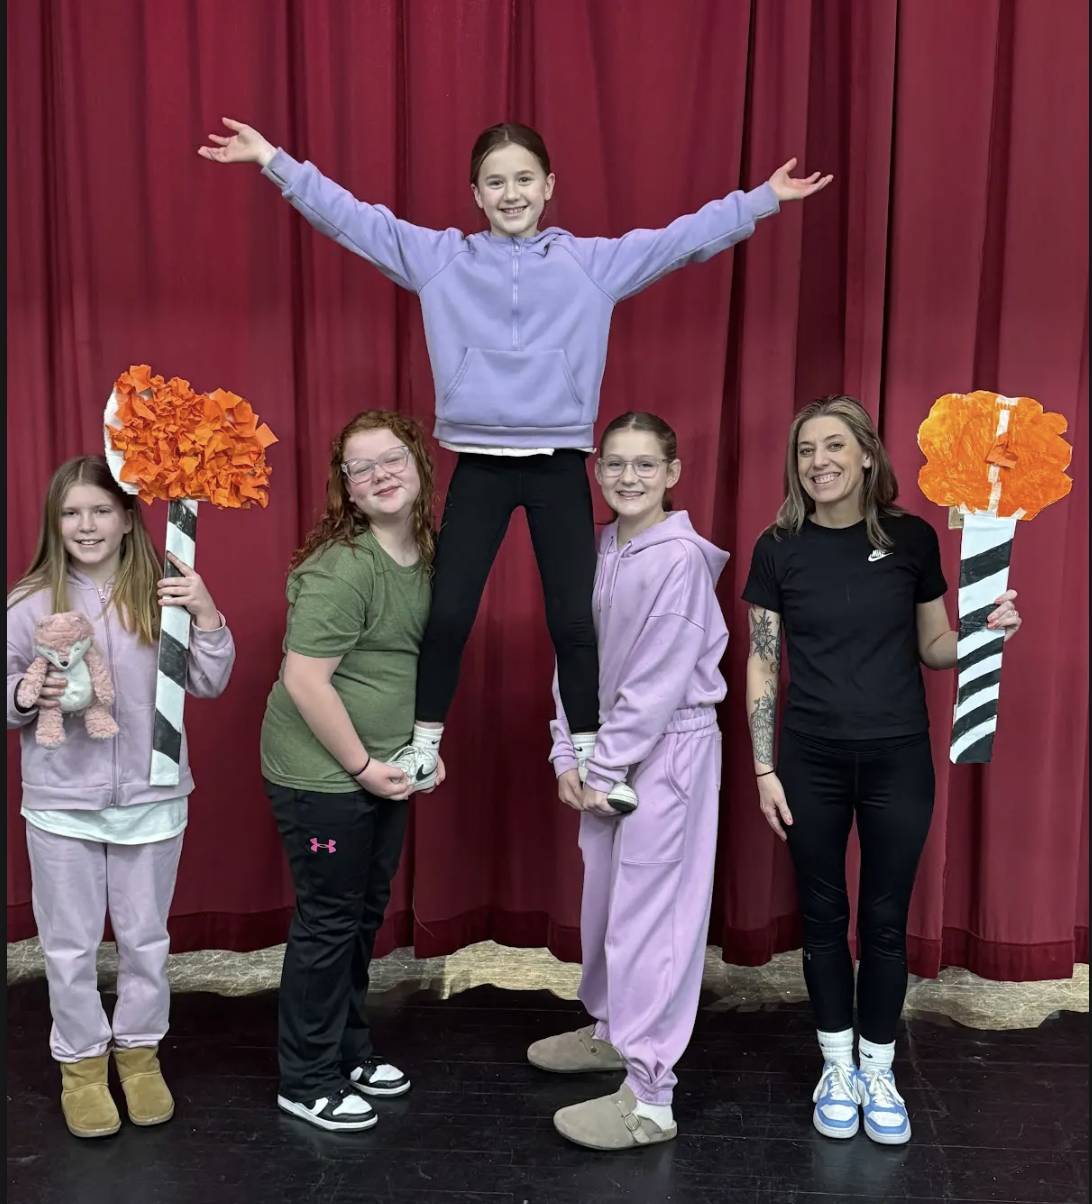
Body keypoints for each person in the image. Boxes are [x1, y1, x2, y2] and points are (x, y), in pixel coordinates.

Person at [198, 117, 831, 799]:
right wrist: (273, 161)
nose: (510, 193)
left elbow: (678, 242)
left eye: (524, 179)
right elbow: (355, 221)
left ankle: (589, 752)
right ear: (475, 193)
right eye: (495, 182)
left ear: (549, 186)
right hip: (481, 461)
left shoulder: (591, 264)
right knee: (449, 612)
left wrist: (760, 199)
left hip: (558, 460)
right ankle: (424, 742)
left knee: (571, 617)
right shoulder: (440, 259)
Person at [741, 395, 1023, 1145]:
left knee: (886, 923)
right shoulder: (778, 547)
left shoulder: (911, 539)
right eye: (806, 450)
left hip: (899, 754)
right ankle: (835, 1065)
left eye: (834, 446)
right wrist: (765, 768)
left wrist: (984, 634)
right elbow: (763, 665)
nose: (819, 462)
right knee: (826, 921)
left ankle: (877, 1069)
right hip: (810, 759)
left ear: (867, 455)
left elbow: (934, 647)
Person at [7, 455, 235, 1138]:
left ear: (130, 518)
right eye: (72, 512)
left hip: (151, 796)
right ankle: (81, 1066)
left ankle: (139, 1057)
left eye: (101, 510)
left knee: (144, 940)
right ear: (55, 521)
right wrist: (25, 694)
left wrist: (208, 613)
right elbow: (8, 688)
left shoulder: (163, 592)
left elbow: (210, 680)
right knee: (70, 946)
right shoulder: (28, 604)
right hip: (60, 802)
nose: (86, 524)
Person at [530, 411, 727, 1151]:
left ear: (673, 473)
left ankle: (650, 1096)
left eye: (645, 465)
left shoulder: (678, 559)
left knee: (656, 921)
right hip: (603, 750)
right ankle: (613, 1032)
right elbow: (574, 654)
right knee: (609, 904)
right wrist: (564, 753)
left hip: (664, 753)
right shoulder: (603, 546)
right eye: (614, 463)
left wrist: (601, 764)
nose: (628, 477)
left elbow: (654, 682)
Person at [260, 410, 440, 1133]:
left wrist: (417, 749)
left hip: (384, 769)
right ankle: (304, 1079)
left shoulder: (427, 553)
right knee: (330, 922)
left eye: (391, 458)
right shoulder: (345, 566)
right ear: (348, 489)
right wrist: (364, 766)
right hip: (325, 776)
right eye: (361, 468)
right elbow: (305, 682)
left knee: (362, 915)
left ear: (419, 464)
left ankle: (347, 1048)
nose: (380, 475)